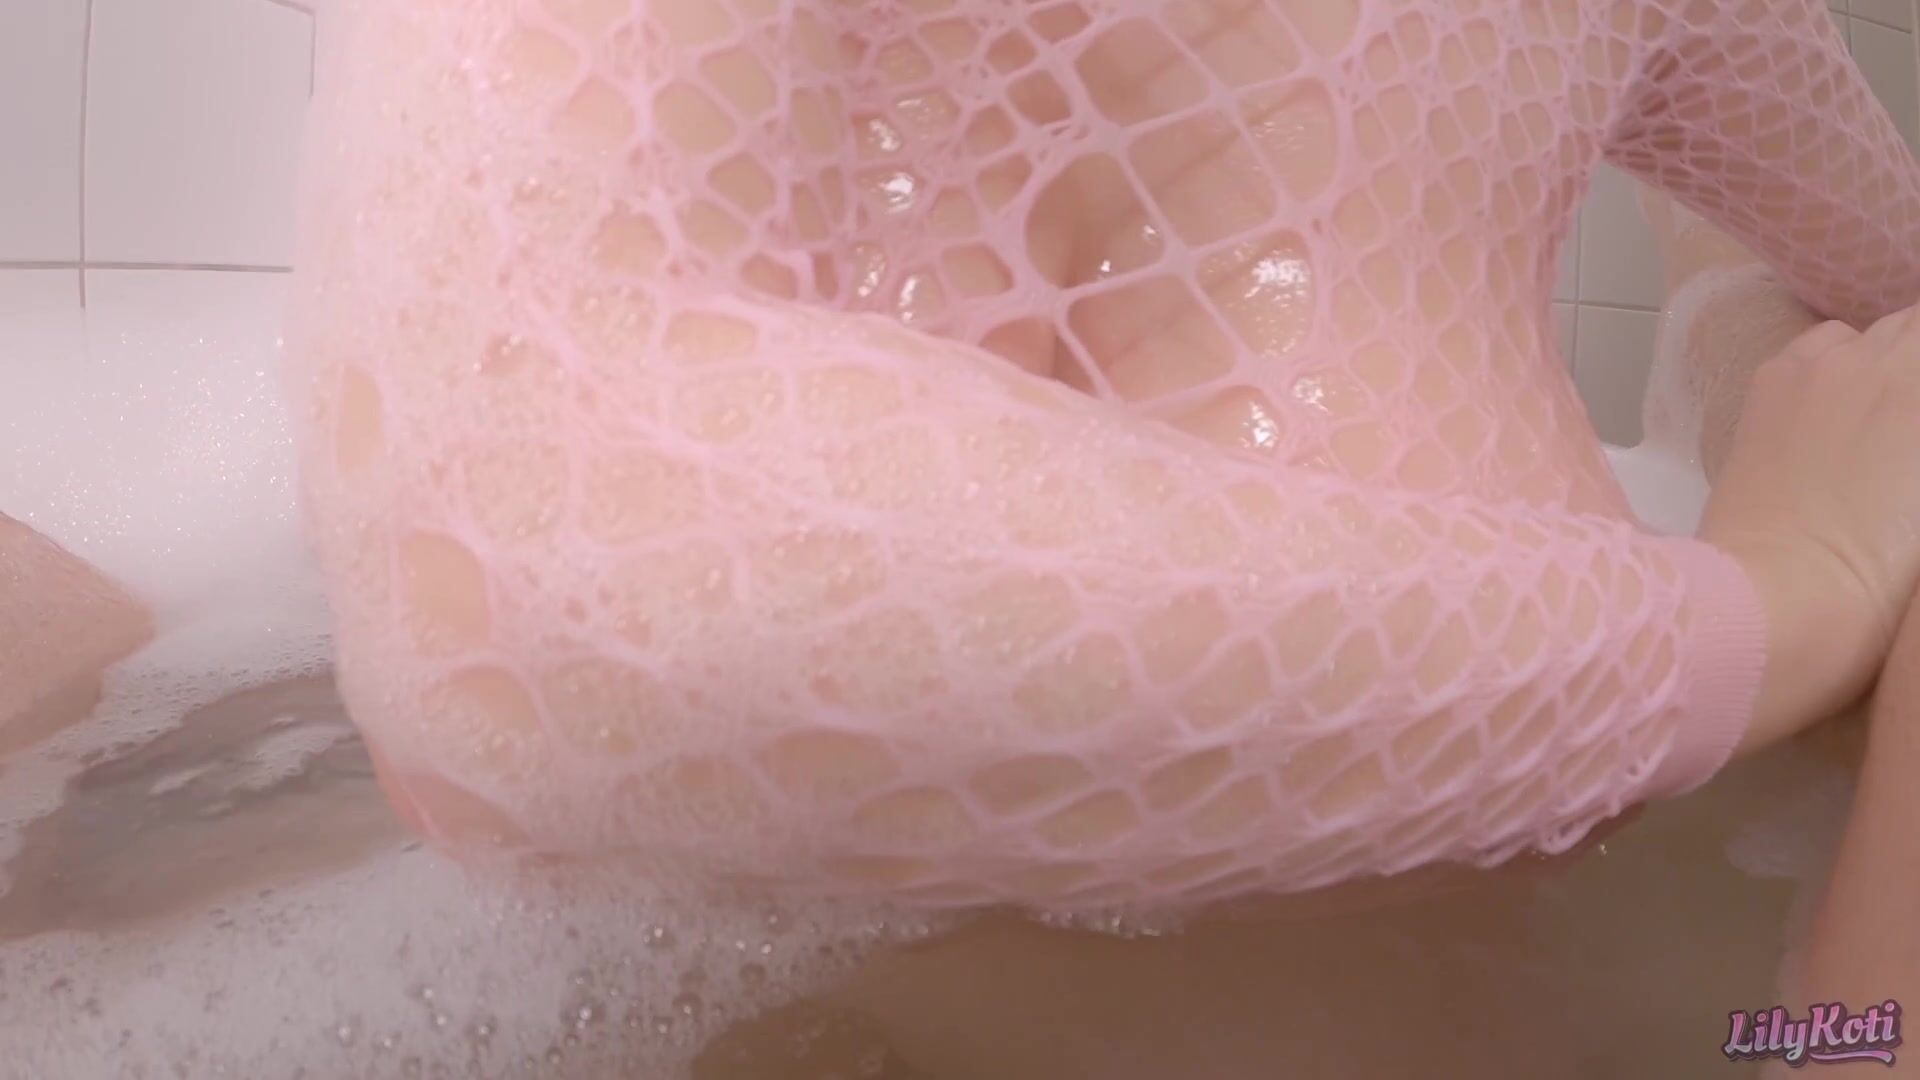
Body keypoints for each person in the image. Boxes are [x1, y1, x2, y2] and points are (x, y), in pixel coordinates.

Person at [275, 0, 1920, 907]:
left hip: (792, 977)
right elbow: (531, 588)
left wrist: (1762, 572)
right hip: (1487, 950)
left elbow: (531, 574)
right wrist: (1762, 612)